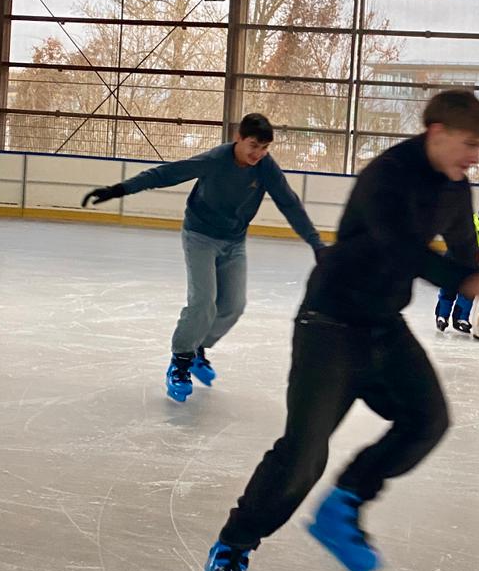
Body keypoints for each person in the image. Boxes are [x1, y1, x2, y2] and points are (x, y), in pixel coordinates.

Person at [202, 89, 479, 571]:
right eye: (469, 144)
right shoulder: (387, 175)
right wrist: (465, 280)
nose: (474, 157)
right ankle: (233, 547)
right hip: (329, 325)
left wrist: (477, 276)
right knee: (304, 454)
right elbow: (400, 248)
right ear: (437, 132)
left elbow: (462, 246)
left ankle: (346, 502)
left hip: (382, 326)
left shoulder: (453, 187)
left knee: (428, 420)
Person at [80, 112, 324, 402]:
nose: (258, 153)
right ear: (238, 138)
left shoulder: (265, 168)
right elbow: (166, 174)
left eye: (264, 148)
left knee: (233, 306)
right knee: (203, 303)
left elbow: (289, 204)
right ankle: (181, 361)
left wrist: (316, 244)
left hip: (234, 242)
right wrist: (118, 190)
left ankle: (198, 348)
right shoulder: (215, 160)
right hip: (200, 236)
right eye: (253, 145)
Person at [435, 197, 479, 333]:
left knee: (468, 293)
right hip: (453, 263)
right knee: (448, 291)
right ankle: (442, 316)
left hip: (470, 268)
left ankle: (461, 319)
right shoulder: (468, 227)